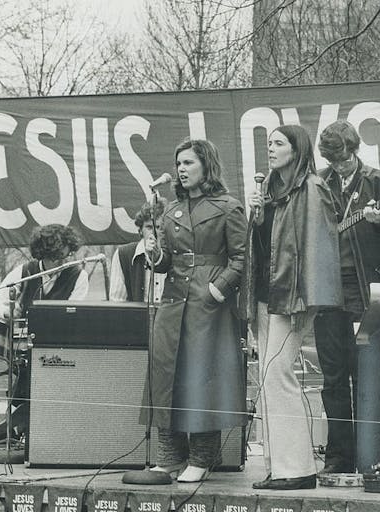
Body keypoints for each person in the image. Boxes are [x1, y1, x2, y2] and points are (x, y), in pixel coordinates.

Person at [245, 124, 343, 491]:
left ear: (297, 149)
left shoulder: (312, 189)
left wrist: (308, 300)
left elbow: (319, 248)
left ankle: (297, 468)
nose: (270, 148)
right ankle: (280, 464)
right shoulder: (270, 191)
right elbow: (261, 247)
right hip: (267, 295)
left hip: (292, 297)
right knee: (268, 379)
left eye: (278, 143)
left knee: (277, 374)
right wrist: (254, 218)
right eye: (268, 142)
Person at [145, 138, 248, 483]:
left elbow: (241, 258)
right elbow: (164, 264)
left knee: (203, 379)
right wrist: (154, 254)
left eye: (188, 163)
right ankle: (169, 456)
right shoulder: (171, 210)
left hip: (208, 302)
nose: (181, 169)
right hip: (173, 301)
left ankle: (202, 458)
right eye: (178, 164)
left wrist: (217, 291)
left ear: (207, 165)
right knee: (165, 376)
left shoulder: (228, 207)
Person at [313, 120, 380, 474]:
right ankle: (339, 457)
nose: (339, 166)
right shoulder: (318, 183)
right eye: (333, 160)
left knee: (365, 374)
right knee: (333, 376)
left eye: (343, 159)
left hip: (363, 289)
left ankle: (372, 454)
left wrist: (378, 221)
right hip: (326, 291)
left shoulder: (379, 182)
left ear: (355, 150)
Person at [0, 224, 88, 440]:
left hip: (59, 350)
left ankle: (19, 424)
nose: (63, 263)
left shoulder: (79, 275)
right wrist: (7, 311)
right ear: (44, 255)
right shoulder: (24, 272)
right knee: (29, 368)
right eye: (58, 258)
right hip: (23, 349)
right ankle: (21, 425)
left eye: (67, 256)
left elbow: (74, 315)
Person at [109, 198, 168, 303]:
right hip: (136, 318)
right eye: (149, 227)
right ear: (140, 230)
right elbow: (117, 302)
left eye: (158, 227)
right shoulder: (123, 255)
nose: (154, 233)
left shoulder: (175, 253)